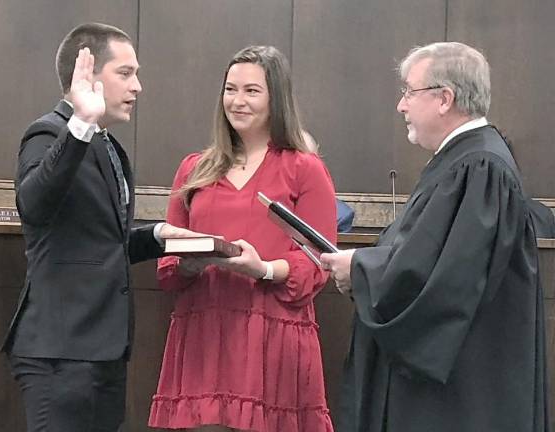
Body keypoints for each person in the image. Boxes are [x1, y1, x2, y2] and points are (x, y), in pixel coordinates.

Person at [321, 42, 549, 432]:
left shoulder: (479, 168)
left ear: (445, 98)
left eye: (409, 91)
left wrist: (360, 268)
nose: (401, 106)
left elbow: (443, 277)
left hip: (461, 389)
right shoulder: (467, 159)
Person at [1, 22, 195, 432]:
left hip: (104, 353)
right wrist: (79, 125)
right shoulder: (48, 133)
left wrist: (158, 236)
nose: (137, 86)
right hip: (60, 354)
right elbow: (33, 207)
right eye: (125, 74)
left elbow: (104, 243)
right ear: (86, 76)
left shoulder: (107, 146)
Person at [149, 46, 336, 432]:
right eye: (230, 89)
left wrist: (264, 269)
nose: (237, 101)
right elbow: (167, 267)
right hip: (204, 331)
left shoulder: (304, 168)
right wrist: (189, 263)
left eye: (252, 91)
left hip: (273, 333)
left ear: (275, 99)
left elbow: (318, 262)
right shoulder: (193, 168)